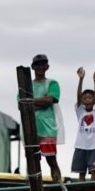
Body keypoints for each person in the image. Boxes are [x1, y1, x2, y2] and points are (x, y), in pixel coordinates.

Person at [30, 54, 62, 182]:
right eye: (38, 64)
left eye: (43, 64)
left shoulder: (52, 83)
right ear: (33, 67)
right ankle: (34, 186)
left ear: (47, 66)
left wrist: (31, 102)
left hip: (48, 127)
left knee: (51, 159)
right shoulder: (26, 84)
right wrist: (40, 102)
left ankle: (58, 184)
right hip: (30, 127)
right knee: (32, 160)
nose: (40, 67)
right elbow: (21, 104)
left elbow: (49, 100)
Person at [72, 67, 95, 181]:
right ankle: (81, 190)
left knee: (94, 171)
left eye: (90, 98)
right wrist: (81, 79)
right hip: (80, 146)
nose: (87, 100)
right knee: (81, 172)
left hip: (94, 146)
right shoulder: (80, 112)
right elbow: (78, 95)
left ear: (94, 100)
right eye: (85, 98)